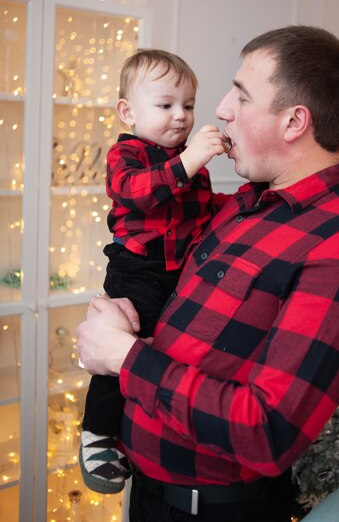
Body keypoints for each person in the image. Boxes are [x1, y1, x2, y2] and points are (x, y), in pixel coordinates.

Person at [75, 26, 339, 522]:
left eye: (240, 96)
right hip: (148, 494)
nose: (220, 110)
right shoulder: (244, 205)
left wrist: (123, 355)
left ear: (294, 121)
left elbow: (266, 432)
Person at [79, 48, 229, 494]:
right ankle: (96, 434)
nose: (180, 116)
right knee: (118, 347)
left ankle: (137, 428)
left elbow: (201, 214)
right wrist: (188, 162)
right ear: (129, 111)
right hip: (137, 270)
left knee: (162, 350)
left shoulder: (188, 161)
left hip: (179, 272)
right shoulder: (127, 153)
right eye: (165, 105)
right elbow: (136, 194)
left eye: (187, 105)